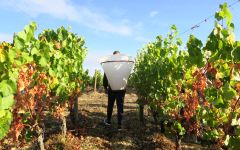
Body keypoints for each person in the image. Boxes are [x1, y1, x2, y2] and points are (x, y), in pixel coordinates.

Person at [103, 51, 126, 130]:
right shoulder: (124, 65)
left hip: (112, 88)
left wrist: (105, 87)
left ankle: (109, 121)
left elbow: (105, 77)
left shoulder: (109, 65)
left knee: (111, 105)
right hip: (120, 89)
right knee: (120, 106)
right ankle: (119, 125)